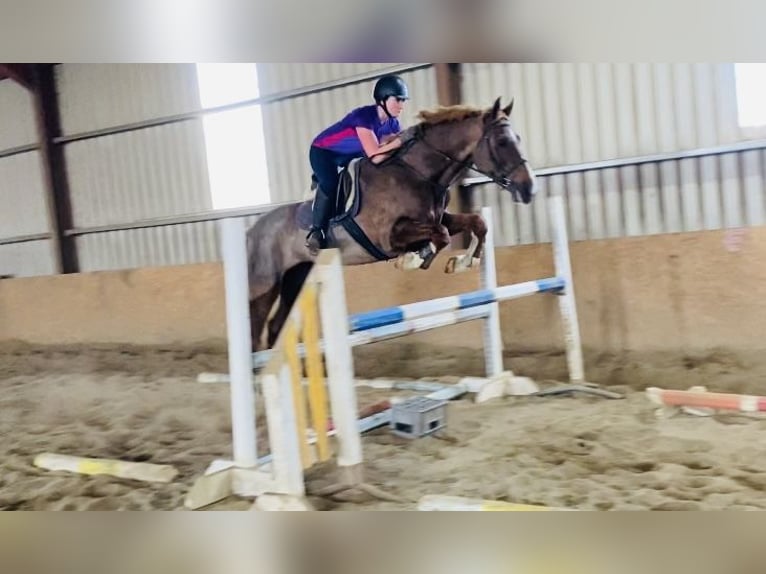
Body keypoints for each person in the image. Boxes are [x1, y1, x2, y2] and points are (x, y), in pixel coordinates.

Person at [305, 74, 409, 253]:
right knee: (330, 183)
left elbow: (391, 152)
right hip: (323, 153)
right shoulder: (364, 117)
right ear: (383, 99)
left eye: (403, 101)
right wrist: (402, 140)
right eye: (397, 100)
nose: (401, 105)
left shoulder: (393, 123)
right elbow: (376, 155)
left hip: (347, 157)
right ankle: (316, 232)